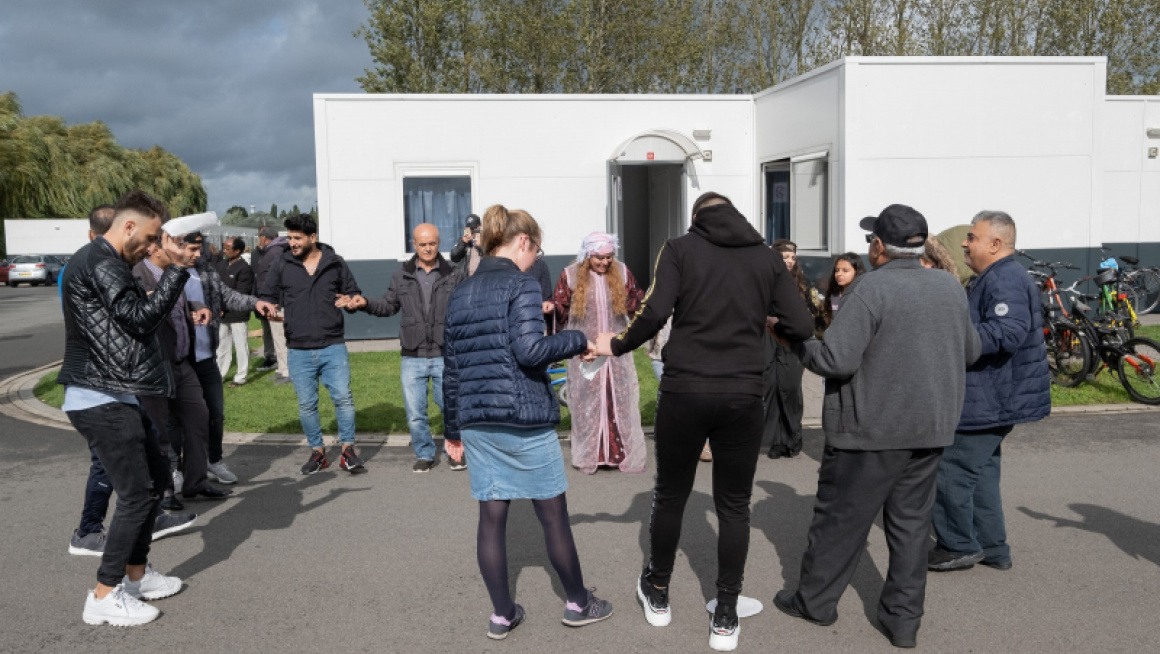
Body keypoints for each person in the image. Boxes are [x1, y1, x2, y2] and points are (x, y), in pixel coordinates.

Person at [592, 192, 815, 652]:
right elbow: (802, 324)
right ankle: (726, 614)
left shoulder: (679, 248)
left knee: (669, 496)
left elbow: (654, 312)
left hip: (686, 389)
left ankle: (657, 592)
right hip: (742, 392)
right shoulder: (765, 257)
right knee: (734, 506)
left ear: (698, 218)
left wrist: (615, 345)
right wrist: (768, 323)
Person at [772, 204, 981, 650]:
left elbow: (834, 360)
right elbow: (970, 351)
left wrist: (795, 340)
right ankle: (903, 622)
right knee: (909, 529)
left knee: (840, 523)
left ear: (880, 246)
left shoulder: (869, 290)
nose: (870, 246)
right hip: (929, 430)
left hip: (868, 431)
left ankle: (815, 603)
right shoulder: (949, 287)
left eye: (872, 239)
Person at [443, 204, 613, 641]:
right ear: (522, 242)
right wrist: (579, 340)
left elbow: (452, 368)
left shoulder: (460, 291)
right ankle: (578, 602)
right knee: (553, 517)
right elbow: (530, 351)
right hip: (523, 417)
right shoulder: (519, 284)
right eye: (534, 251)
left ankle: (502, 614)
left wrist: (452, 430)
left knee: (491, 519)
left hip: (477, 418)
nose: (535, 260)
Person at [58, 190, 193, 626]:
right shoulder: (102, 262)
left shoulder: (106, 260)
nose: (152, 247)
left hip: (117, 392)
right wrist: (173, 270)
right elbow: (139, 319)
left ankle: (136, 575)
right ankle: (104, 593)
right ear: (129, 226)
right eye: (151, 237)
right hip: (99, 397)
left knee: (153, 482)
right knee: (136, 495)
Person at [928, 211, 1050, 572]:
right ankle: (993, 548)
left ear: (995, 244)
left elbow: (1009, 330)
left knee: (949, 471)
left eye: (972, 237)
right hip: (995, 397)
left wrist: (955, 340)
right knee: (980, 474)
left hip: (990, 398)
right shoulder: (996, 276)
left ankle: (957, 545)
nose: (965, 243)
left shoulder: (1006, 278)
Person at [340, 223, 464, 473]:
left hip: (444, 353)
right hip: (412, 354)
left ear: (439, 243)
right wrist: (363, 303)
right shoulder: (401, 275)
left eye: (432, 244)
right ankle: (425, 454)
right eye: (422, 244)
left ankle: (454, 451)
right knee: (416, 413)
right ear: (413, 244)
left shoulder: (454, 273)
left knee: (451, 407)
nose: (428, 249)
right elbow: (388, 305)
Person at [259, 213, 366, 475]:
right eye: (290, 238)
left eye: (297, 238)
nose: (292, 243)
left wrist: (351, 302)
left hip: (332, 345)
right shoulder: (282, 263)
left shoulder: (335, 263)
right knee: (307, 404)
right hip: (297, 348)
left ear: (312, 238)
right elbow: (266, 295)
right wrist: (267, 307)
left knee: (343, 398)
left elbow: (354, 294)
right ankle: (317, 453)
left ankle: (347, 451)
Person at [134, 231, 235, 502]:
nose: (192, 254)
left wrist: (197, 305)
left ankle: (195, 482)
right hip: (154, 368)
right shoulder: (137, 275)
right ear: (154, 248)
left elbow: (179, 302)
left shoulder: (173, 272)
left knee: (199, 419)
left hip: (183, 362)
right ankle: (164, 490)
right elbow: (141, 313)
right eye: (176, 246)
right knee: (160, 432)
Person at [552, 232, 646, 474]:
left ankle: (618, 452)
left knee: (618, 397)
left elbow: (638, 303)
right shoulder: (571, 275)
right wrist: (552, 315)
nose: (605, 262)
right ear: (587, 256)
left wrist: (642, 332)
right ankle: (591, 453)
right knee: (587, 399)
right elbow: (560, 310)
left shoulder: (622, 272)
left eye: (609, 257)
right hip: (586, 350)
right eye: (599, 258)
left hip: (616, 350)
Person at [186, 235, 274, 485]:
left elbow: (229, 295)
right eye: (192, 247)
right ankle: (178, 469)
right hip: (180, 360)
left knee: (216, 414)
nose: (198, 252)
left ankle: (214, 462)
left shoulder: (206, 271)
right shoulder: (166, 274)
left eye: (199, 247)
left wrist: (256, 303)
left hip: (206, 359)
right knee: (179, 419)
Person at [763, 239, 822, 459]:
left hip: (790, 339)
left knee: (789, 388)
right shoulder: (764, 279)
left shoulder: (802, 283)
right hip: (767, 337)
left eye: (793, 258)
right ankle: (774, 440)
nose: (789, 261)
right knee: (770, 384)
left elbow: (811, 316)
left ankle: (791, 438)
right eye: (785, 257)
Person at [252, 225, 291, 384]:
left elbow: (276, 279)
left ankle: (287, 371)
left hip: (276, 303)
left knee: (281, 337)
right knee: (277, 338)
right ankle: (281, 369)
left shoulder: (275, 251)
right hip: (273, 302)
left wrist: (271, 300)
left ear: (264, 238)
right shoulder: (274, 251)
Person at [215, 237, 254, 387]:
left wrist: (224, 308)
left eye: (227, 248)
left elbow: (241, 293)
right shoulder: (220, 265)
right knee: (222, 346)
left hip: (237, 314)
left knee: (240, 345)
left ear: (237, 251)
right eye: (223, 247)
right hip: (221, 313)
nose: (224, 251)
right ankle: (220, 374)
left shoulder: (244, 268)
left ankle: (240, 377)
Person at [820, 252, 866, 331]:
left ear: (856, 272)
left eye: (845, 270)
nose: (839, 274)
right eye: (837, 270)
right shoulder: (834, 295)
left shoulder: (861, 296)